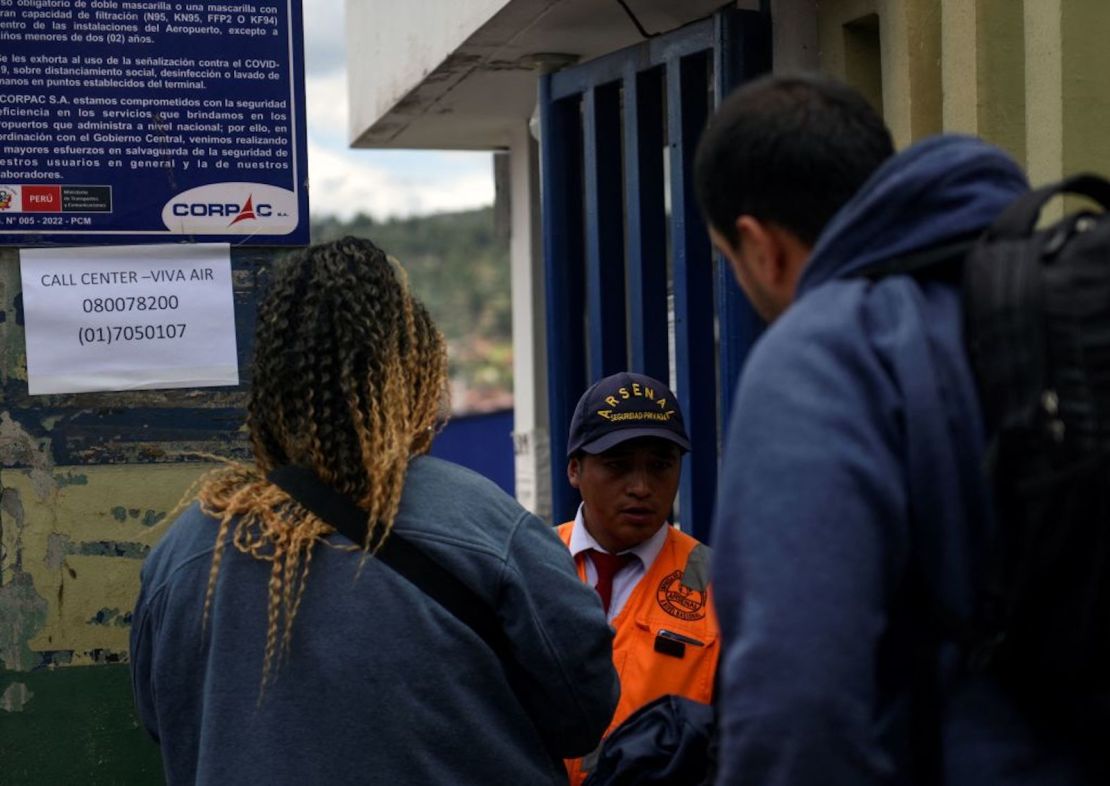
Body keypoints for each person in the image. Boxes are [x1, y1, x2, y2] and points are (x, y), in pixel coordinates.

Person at [695, 73, 1100, 783]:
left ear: (760, 247)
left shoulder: (825, 356)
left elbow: (796, 702)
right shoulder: (1042, 307)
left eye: (730, 262)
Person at [129, 237, 619, 786]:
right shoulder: (486, 527)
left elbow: (165, 722)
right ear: (413, 371)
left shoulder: (189, 553)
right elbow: (585, 713)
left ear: (271, 386)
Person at [555, 371, 719, 786]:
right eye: (618, 466)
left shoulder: (720, 584)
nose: (642, 487)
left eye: (661, 466)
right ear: (575, 469)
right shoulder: (528, 562)